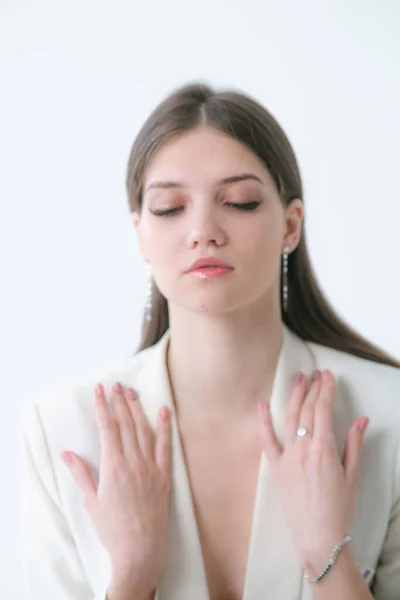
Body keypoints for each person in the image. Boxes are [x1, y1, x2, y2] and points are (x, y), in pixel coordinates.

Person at [20, 82, 400, 600]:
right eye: (170, 208)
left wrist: (328, 557)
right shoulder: (61, 431)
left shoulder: (388, 417)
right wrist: (131, 576)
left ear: (291, 227)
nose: (203, 230)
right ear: (140, 235)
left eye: (240, 202)